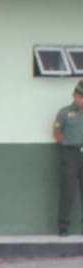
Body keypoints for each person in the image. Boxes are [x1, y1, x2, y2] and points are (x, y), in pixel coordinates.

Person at [53, 80, 83, 235]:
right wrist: (66, 143)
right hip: (70, 153)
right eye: (81, 97)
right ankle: (63, 226)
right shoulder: (64, 113)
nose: (82, 100)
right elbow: (57, 132)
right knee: (68, 191)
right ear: (74, 95)